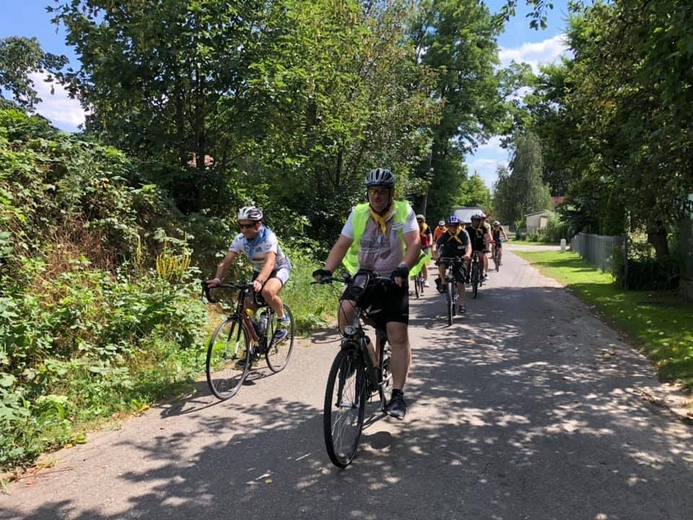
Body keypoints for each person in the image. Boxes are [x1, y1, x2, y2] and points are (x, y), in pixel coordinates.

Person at [312, 168, 421, 420]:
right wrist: (327, 270)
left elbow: (414, 243)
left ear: (391, 193)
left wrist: (404, 266)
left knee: (397, 333)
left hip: (394, 276)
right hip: (365, 275)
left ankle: (397, 394)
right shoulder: (359, 213)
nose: (377, 196)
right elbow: (342, 244)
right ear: (368, 194)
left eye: (383, 192)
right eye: (373, 192)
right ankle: (360, 353)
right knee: (344, 312)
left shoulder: (404, 211)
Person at [206, 206, 292, 344]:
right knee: (246, 308)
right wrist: (217, 279)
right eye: (241, 226)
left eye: (249, 226)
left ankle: (283, 319)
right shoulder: (240, 239)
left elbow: (270, 263)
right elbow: (226, 262)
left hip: (279, 267)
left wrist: (259, 281)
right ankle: (253, 347)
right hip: (259, 271)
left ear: (258, 224)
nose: (244, 229)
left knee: (267, 291)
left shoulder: (268, 237)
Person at [435, 215, 472, 313]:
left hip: (459, 257)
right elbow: (436, 246)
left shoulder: (464, 233)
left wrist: (467, 254)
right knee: (441, 262)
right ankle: (443, 281)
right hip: (446, 255)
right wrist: (435, 254)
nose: (453, 227)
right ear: (448, 226)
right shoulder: (444, 234)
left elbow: (468, 246)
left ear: (457, 225)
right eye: (450, 225)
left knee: (460, 282)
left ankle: (461, 304)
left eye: (455, 225)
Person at [466, 213, 492, 279]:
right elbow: (464, 238)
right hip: (470, 246)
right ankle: (467, 276)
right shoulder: (468, 228)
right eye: (474, 221)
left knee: (481, 257)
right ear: (472, 221)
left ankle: (481, 274)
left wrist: (486, 247)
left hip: (480, 245)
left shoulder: (483, 228)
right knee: (468, 260)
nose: (476, 222)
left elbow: (486, 237)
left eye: (477, 221)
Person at [416, 214, 433, 287]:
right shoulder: (413, 227)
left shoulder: (427, 228)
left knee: (423, 263)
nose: (419, 223)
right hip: (415, 246)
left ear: (424, 221)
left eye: (421, 221)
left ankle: (426, 280)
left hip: (424, 246)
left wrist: (430, 243)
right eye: (418, 221)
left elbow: (430, 236)